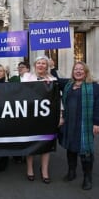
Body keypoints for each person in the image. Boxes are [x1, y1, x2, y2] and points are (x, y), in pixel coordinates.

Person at [58, 62, 99, 190]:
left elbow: (98, 106)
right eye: (76, 69)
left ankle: (87, 178)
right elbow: (54, 79)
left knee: (85, 151)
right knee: (71, 148)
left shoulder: (94, 86)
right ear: (73, 71)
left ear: (86, 71)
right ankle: (72, 172)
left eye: (81, 69)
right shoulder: (68, 85)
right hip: (70, 122)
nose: (78, 71)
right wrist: (51, 66)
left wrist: (97, 122)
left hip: (84, 123)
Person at [22, 56, 57, 184]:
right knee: (31, 141)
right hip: (30, 114)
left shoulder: (53, 79)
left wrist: (61, 115)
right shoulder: (27, 77)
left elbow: (58, 99)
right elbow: (21, 92)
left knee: (46, 143)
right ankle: (30, 168)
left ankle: (45, 170)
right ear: (35, 65)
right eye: (38, 63)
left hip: (47, 115)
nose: (41, 65)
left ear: (47, 66)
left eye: (43, 63)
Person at [9, 61, 30, 163]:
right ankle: (17, 156)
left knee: (26, 133)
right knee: (16, 133)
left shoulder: (33, 79)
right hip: (15, 109)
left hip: (28, 110)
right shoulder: (13, 79)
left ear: (28, 69)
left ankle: (26, 154)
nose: (20, 68)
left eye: (22, 67)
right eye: (19, 67)